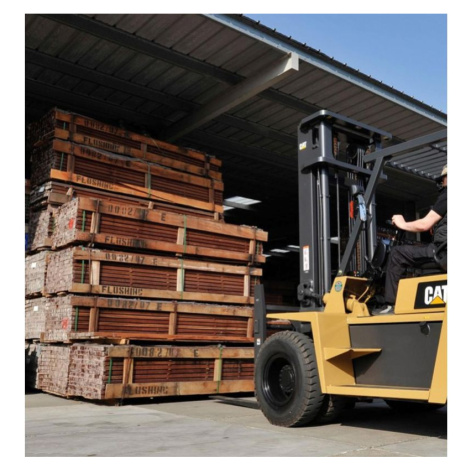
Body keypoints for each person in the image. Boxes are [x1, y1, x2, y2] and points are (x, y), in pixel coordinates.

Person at [377, 164, 447, 314]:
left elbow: (424, 224)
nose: (442, 183)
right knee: (419, 248)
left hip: (444, 252)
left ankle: (391, 304)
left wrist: (402, 224)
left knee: (397, 253)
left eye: (443, 179)